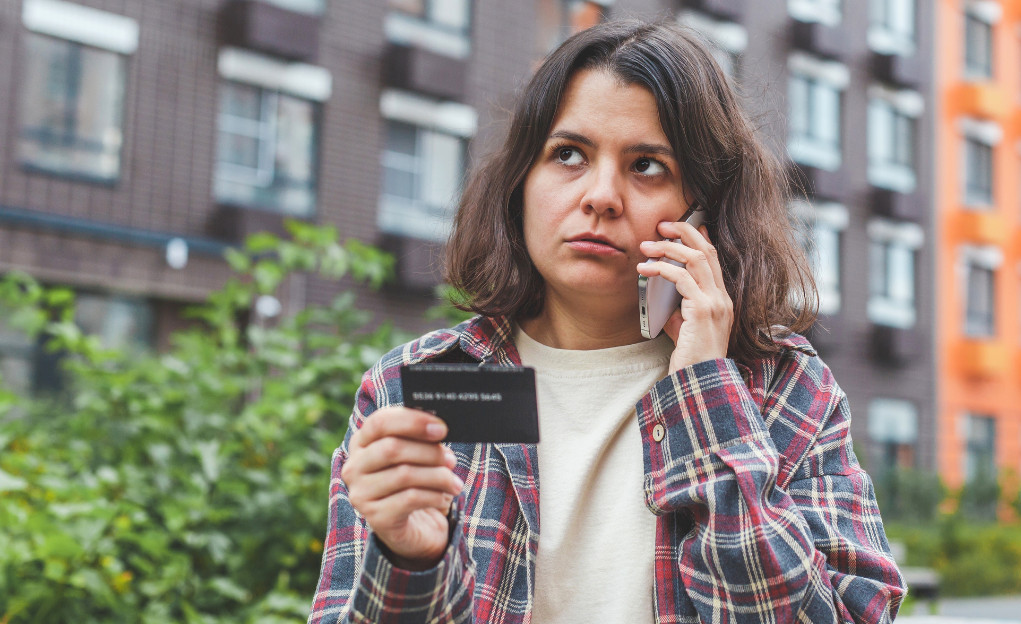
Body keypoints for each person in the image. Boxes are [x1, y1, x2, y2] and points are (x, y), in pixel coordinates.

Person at [308, 20, 905, 624]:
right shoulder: (416, 385)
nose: (601, 196)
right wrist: (410, 563)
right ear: (521, 182)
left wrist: (708, 392)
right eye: (568, 155)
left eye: (647, 166)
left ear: (703, 212)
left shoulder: (785, 391)